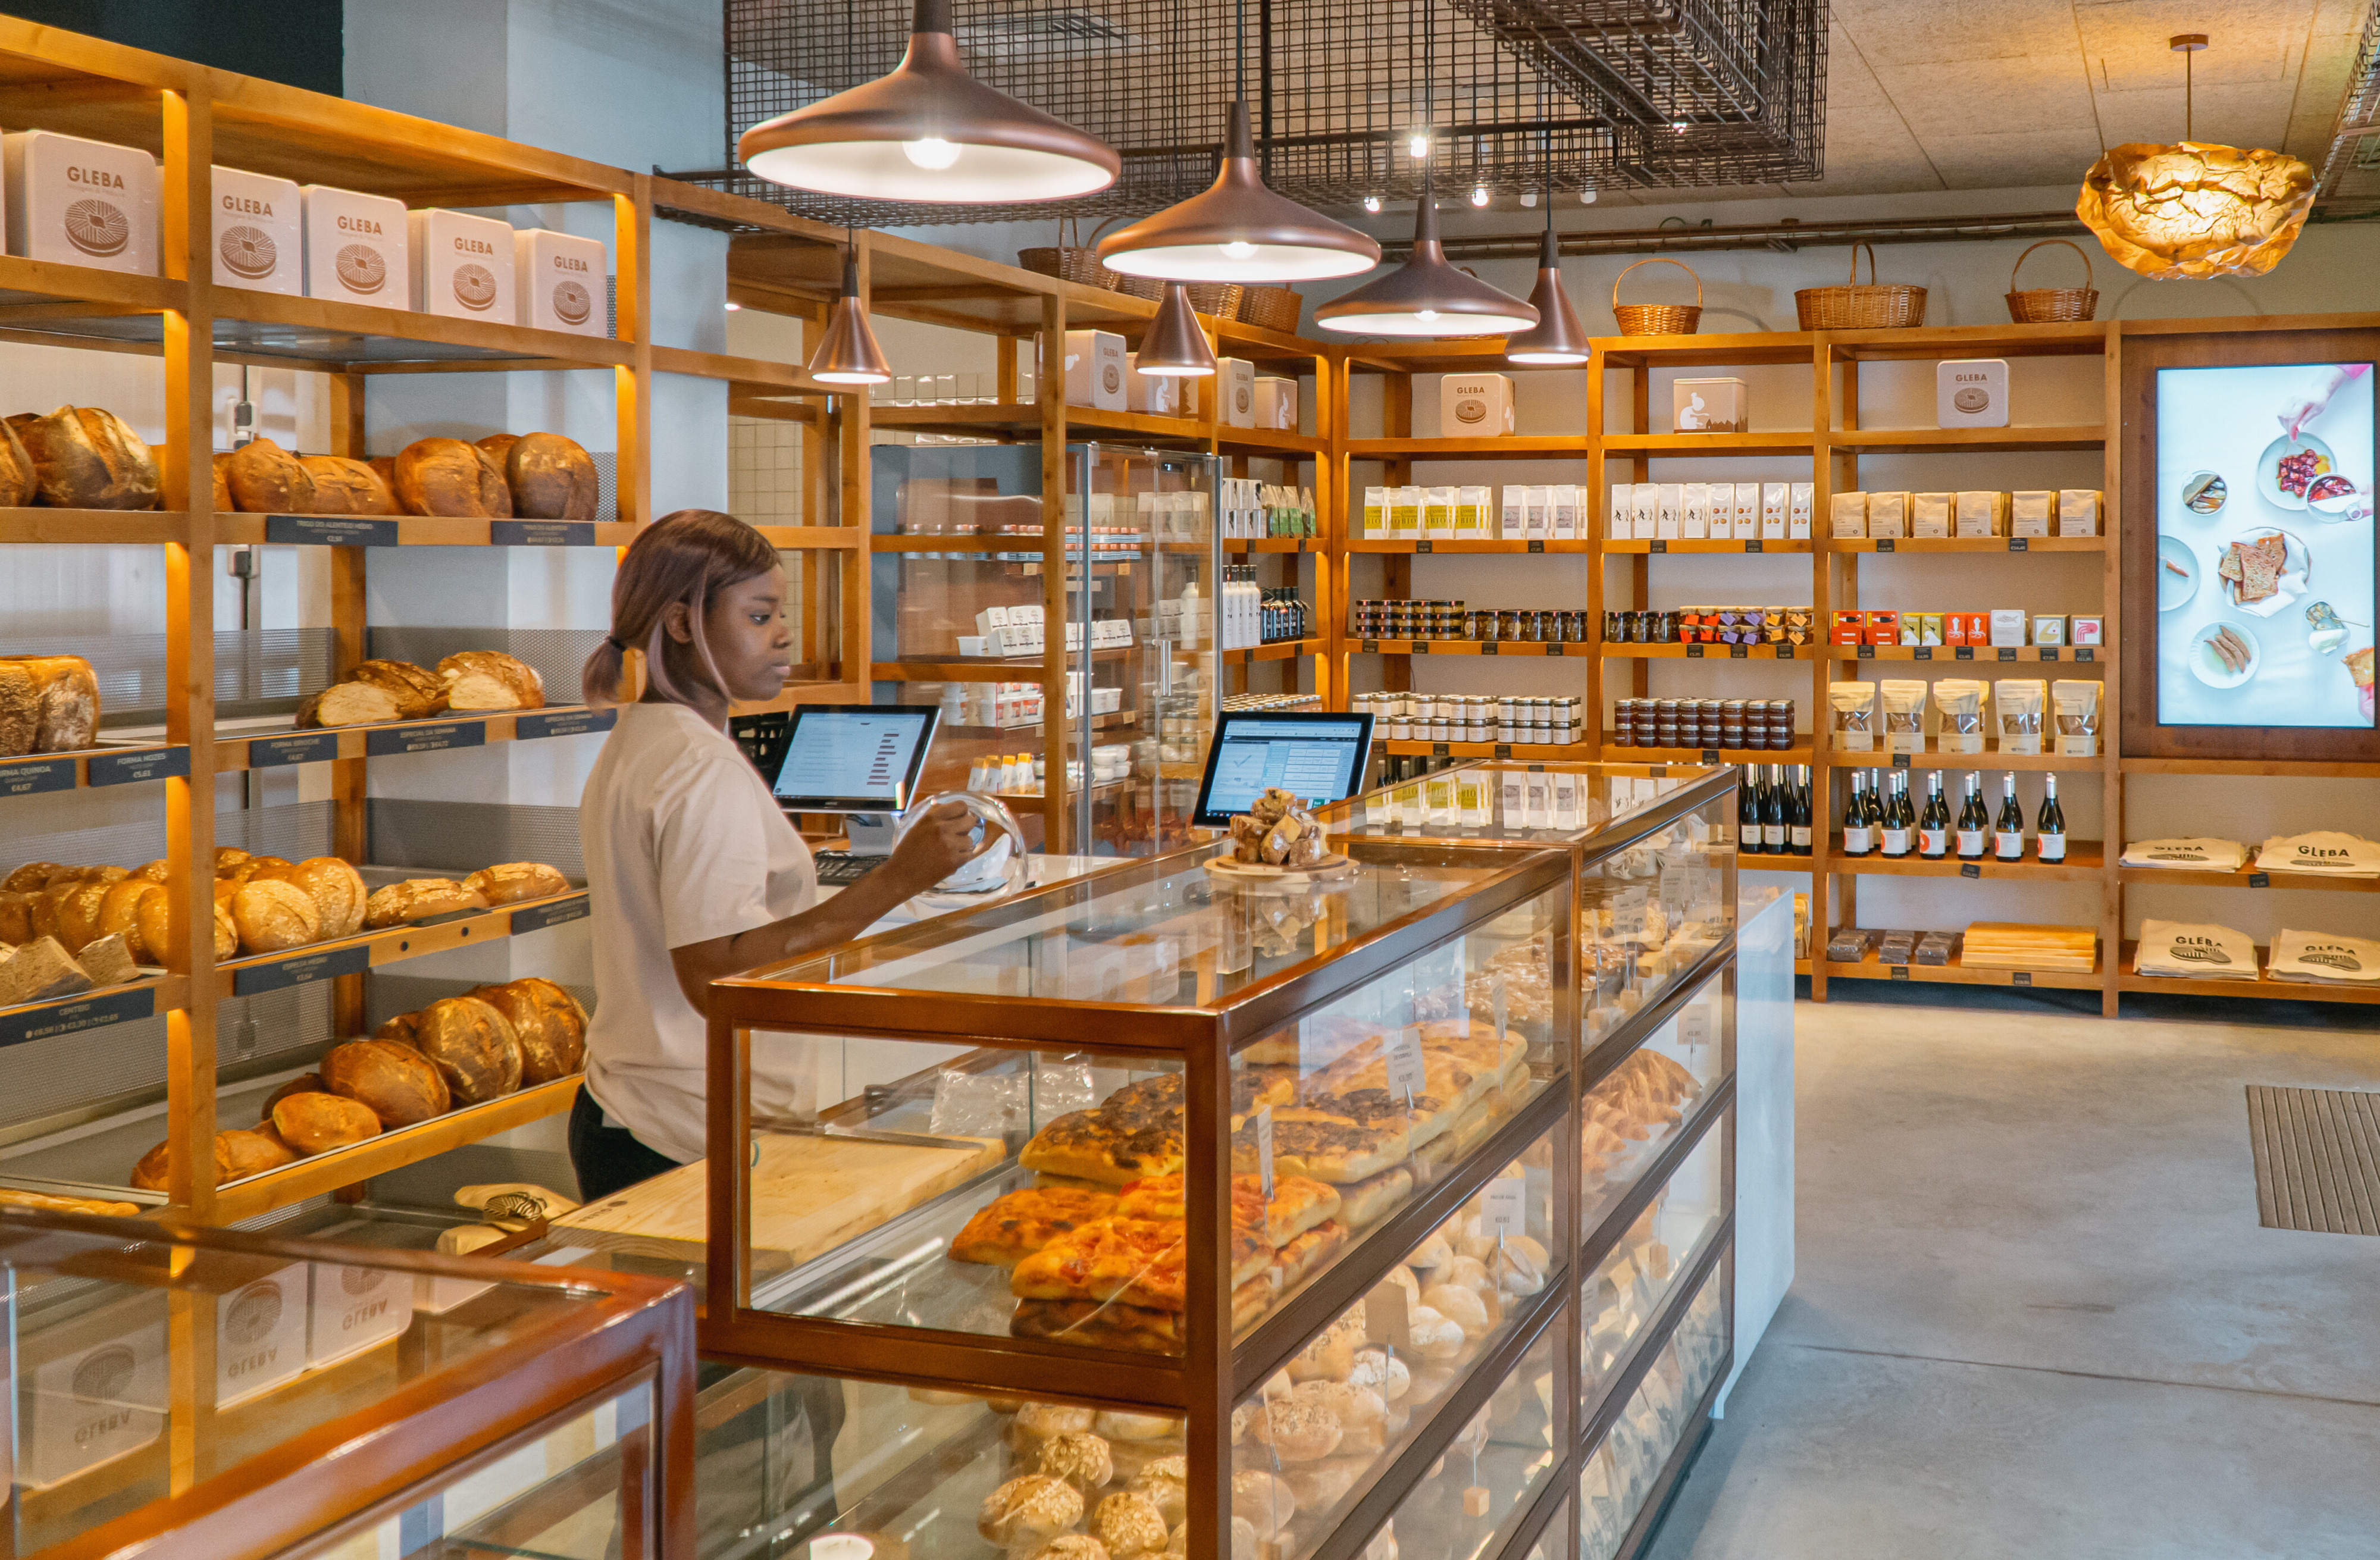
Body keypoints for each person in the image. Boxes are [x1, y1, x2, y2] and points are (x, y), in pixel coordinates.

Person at [572, 509, 988, 1201]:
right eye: (760, 616)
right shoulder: (697, 767)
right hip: (683, 1135)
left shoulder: (641, 738)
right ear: (681, 623)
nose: (786, 634)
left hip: (634, 1114)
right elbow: (717, 976)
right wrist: (898, 877)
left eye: (781, 614)